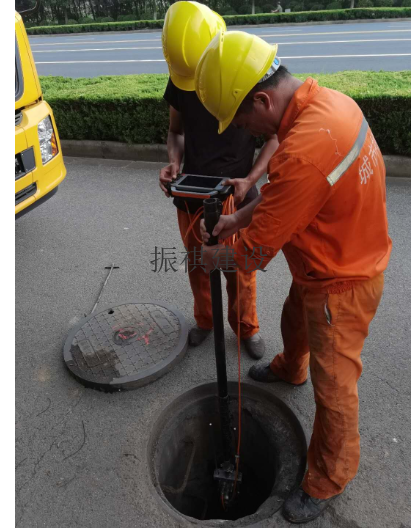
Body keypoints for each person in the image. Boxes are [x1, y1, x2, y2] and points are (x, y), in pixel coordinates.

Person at [195, 30, 392, 523]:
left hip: (342, 282)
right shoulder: (326, 107)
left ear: (262, 99)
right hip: (331, 255)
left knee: (335, 388)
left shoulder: (304, 149)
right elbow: (286, 190)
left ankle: (329, 477)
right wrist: (236, 218)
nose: (247, 131)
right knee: (294, 321)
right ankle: (289, 367)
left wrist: (210, 256)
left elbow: (256, 251)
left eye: (243, 119)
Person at [159, 2, 279, 358]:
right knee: (198, 263)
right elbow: (175, 131)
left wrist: (250, 178)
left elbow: (275, 136)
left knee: (239, 266)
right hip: (191, 192)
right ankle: (205, 320)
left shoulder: (246, 72)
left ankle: (246, 328)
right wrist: (173, 162)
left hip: (236, 193)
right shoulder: (181, 76)